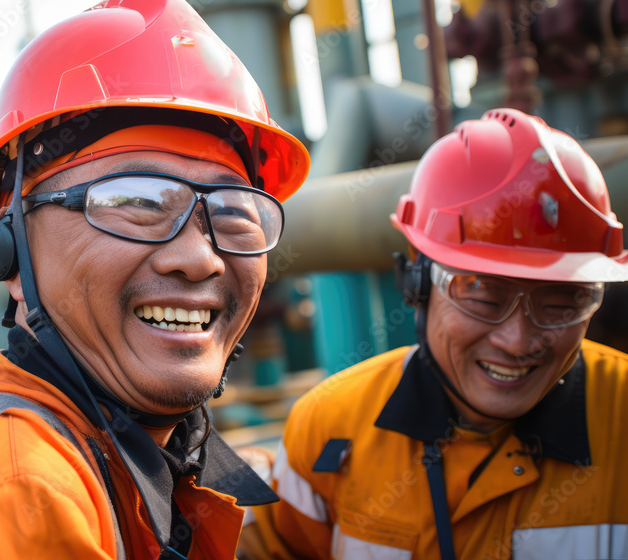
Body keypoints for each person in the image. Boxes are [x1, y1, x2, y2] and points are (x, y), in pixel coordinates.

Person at [0, 0, 310, 557]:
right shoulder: (17, 492)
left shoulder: (136, 463)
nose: (200, 259)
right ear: (10, 253)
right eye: (137, 201)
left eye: (233, 213)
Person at [244, 108, 628, 559]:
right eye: (484, 296)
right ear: (416, 280)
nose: (519, 341)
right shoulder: (329, 427)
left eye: (563, 303)